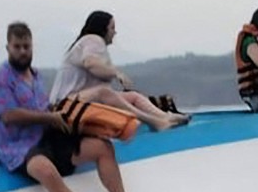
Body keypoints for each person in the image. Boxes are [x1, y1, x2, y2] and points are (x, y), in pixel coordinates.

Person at [0, 21, 147, 192]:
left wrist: (66, 116)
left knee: (102, 147)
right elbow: (10, 116)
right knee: (46, 170)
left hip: (46, 134)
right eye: (17, 47)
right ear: (8, 48)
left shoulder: (35, 75)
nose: (23, 52)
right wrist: (49, 119)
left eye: (26, 47)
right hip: (18, 146)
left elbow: (44, 107)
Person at [49, 11, 188, 131]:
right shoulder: (93, 39)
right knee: (104, 92)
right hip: (63, 106)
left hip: (78, 100)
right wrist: (116, 73)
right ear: (103, 29)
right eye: (112, 28)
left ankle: (165, 117)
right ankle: (154, 122)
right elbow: (90, 62)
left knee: (133, 96)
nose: (114, 32)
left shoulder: (90, 44)